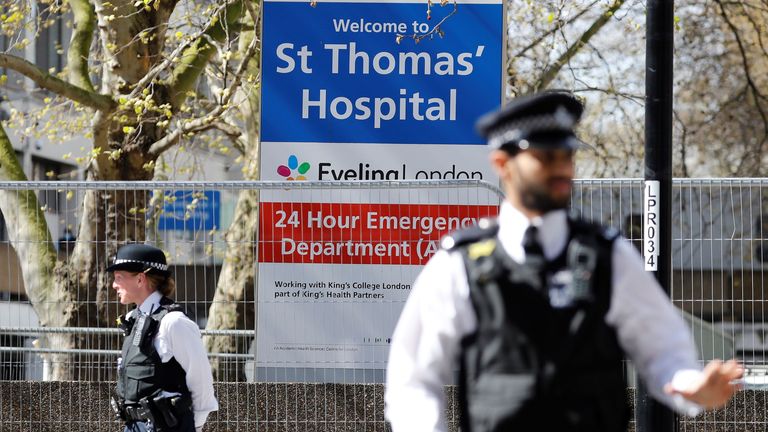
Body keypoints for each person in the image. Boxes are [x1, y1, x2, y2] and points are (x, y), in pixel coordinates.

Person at [384, 92, 743, 432]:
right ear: (502, 164)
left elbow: (664, 352)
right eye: (545, 156)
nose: (561, 169)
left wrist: (694, 387)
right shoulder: (459, 264)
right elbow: (412, 380)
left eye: (566, 156)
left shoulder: (608, 256)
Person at [107, 243, 218, 432]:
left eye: (119, 277)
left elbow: (201, 381)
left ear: (141, 279)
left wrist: (194, 426)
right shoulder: (135, 320)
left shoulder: (173, 322)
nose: (114, 285)